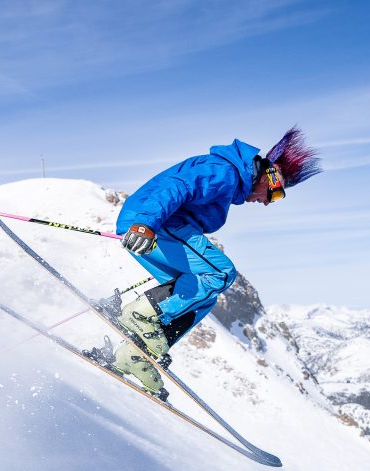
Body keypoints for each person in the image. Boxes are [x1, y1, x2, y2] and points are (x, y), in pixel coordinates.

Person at [85, 127, 321, 400]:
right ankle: (139, 315)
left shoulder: (229, 179)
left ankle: (133, 356)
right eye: (276, 193)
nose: (269, 202)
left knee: (202, 297)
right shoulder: (225, 172)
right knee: (221, 272)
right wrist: (146, 223)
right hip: (154, 224)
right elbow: (177, 185)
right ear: (266, 175)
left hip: (156, 226)